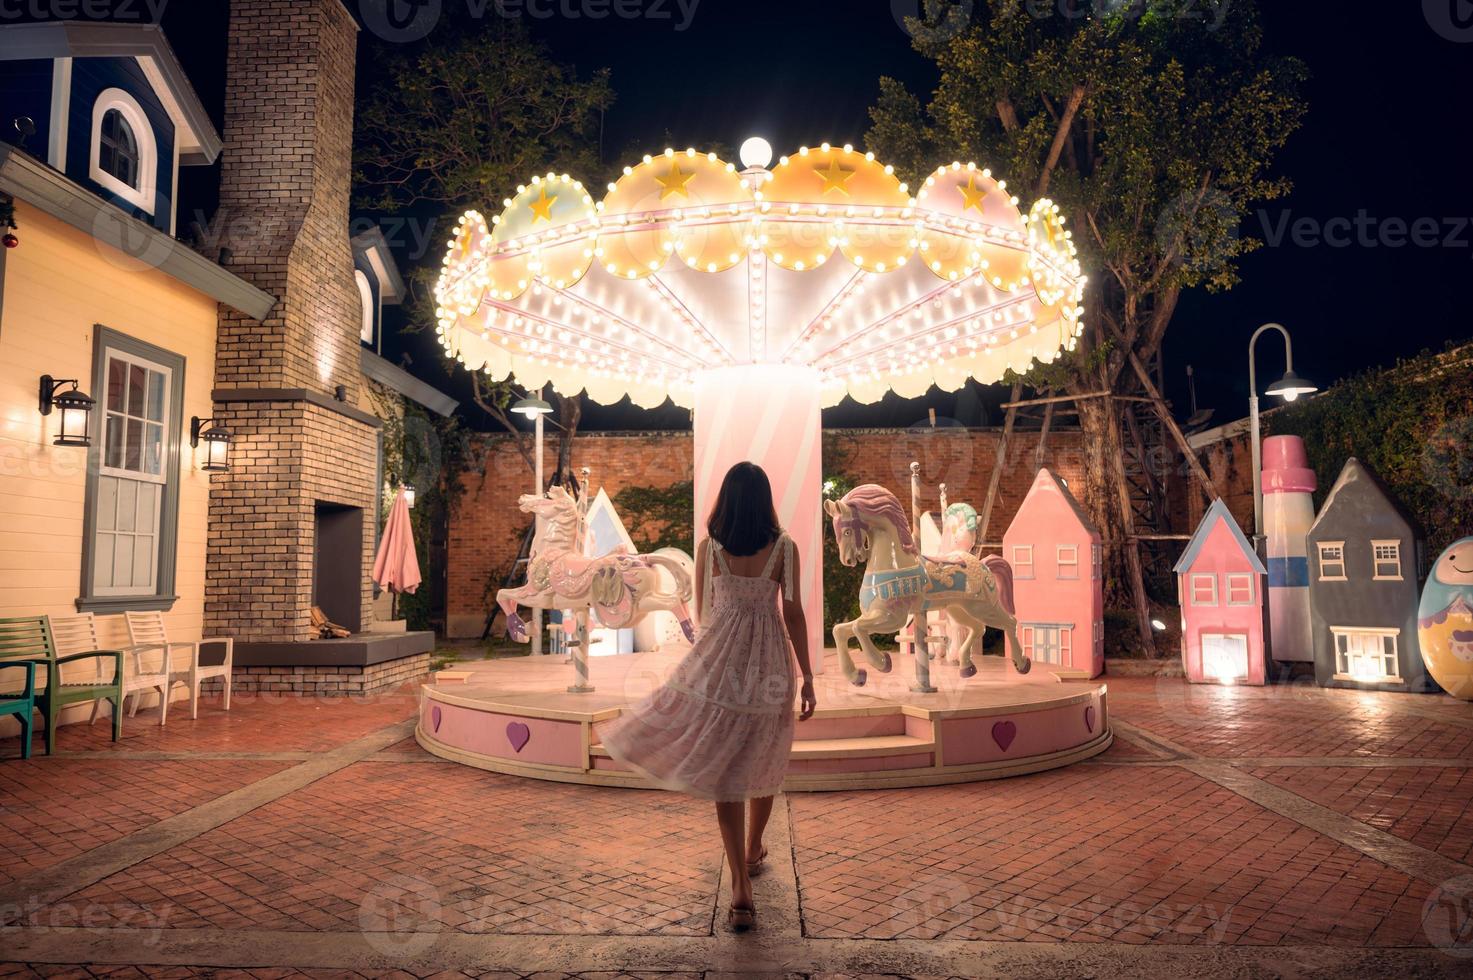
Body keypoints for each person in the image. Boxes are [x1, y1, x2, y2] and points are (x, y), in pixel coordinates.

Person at [601, 461, 817, 932]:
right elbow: (795, 614)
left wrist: (695, 675)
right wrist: (808, 676)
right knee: (765, 758)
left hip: (721, 665)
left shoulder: (709, 549)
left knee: (725, 768)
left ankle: (740, 887)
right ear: (765, 500)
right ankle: (754, 846)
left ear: (726, 500)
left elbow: (706, 615)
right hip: (769, 669)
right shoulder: (785, 548)